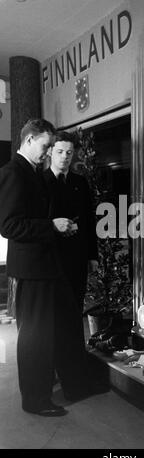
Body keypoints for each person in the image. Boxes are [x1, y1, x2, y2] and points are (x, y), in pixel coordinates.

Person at [0, 118, 80, 416]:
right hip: (32, 270)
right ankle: (34, 401)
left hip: (43, 267)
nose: (49, 153)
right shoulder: (13, 173)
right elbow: (9, 226)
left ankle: (42, 393)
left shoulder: (29, 172)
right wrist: (52, 226)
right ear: (29, 139)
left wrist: (58, 228)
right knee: (34, 338)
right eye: (46, 146)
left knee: (44, 335)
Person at [44, 131, 98, 314]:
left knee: (75, 307)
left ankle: (74, 344)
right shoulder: (39, 182)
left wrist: (93, 256)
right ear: (50, 151)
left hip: (77, 256)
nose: (65, 157)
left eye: (69, 153)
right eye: (60, 152)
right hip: (50, 257)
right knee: (53, 311)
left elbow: (89, 220)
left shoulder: (80, 182)